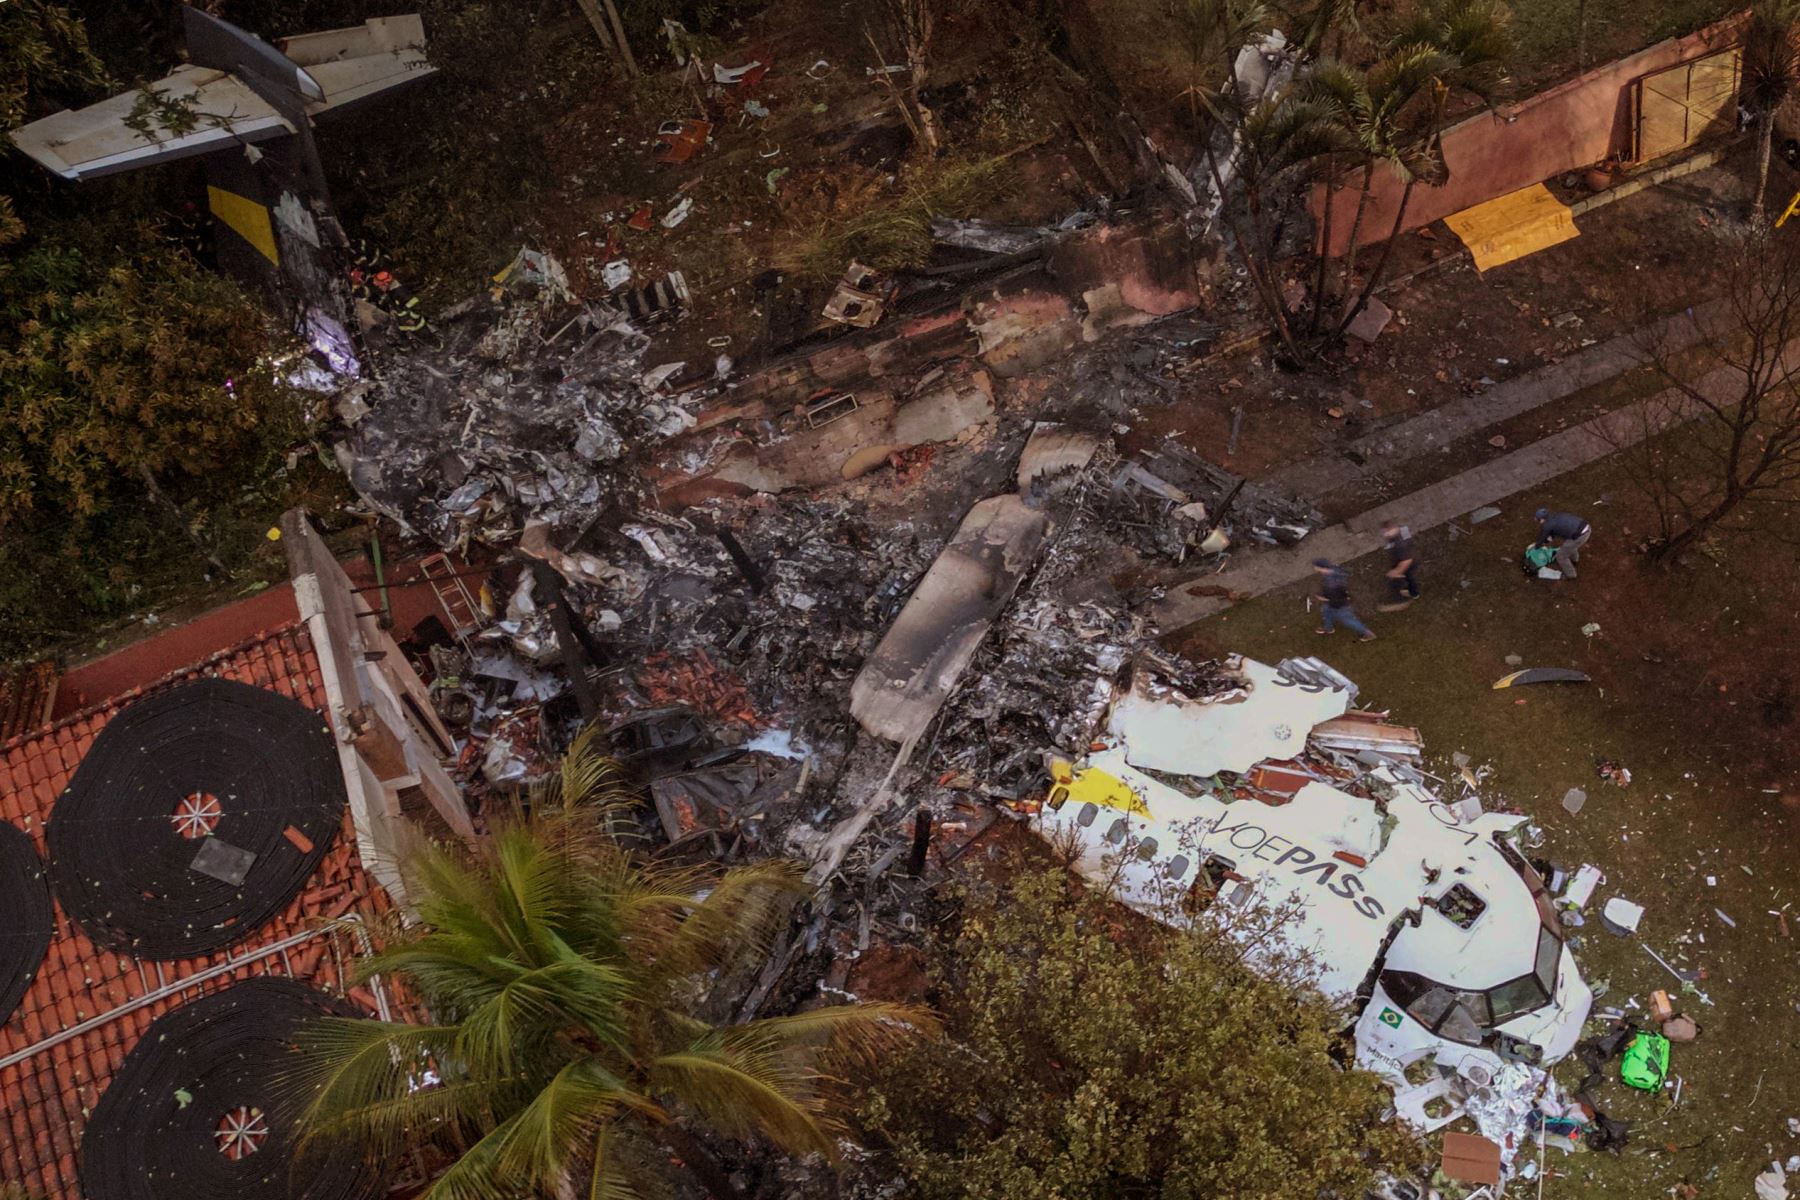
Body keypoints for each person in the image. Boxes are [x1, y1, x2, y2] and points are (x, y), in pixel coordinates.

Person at [1311, 559, 1376, 641]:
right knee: (1326, 611)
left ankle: (1368, 634)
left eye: (1316, 567)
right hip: (1336, 599)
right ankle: (1328, 628)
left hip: (1339, 604)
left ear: (1322, 567)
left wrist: (1323, 598)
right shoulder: (1332, 572)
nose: (1314, 568)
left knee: (1348, 620)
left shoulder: (1331, 582)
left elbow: (1335, 596)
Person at [1533, 508, 1592, 579]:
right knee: (1571, 545)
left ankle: (1571, 575)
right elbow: (1552, 534)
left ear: (1542, 519)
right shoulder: (1554, 516)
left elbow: (1542, 538)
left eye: (1538, 519)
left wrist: (1536, 547)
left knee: (1561, 556)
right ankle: (1574, 560)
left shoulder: (1547, 525)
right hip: (1585, 527)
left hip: (1580, 535)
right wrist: (1546, 541)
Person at [1378, 519, 1420, 611]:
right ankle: (1414, 593)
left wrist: (1396, 571)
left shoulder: (1399, 543)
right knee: (1409, 578)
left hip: (1406, 563)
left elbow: (1407, 560)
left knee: (1394, 581)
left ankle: (1399, 601)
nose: (1385, 534)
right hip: (1411, 560)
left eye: (1387, 531)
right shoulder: (1400, 533)